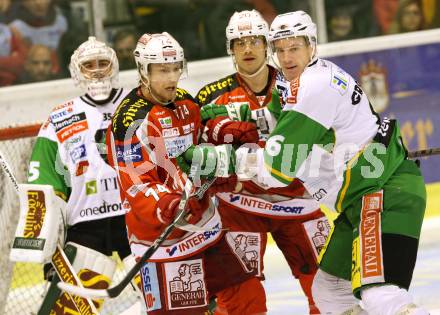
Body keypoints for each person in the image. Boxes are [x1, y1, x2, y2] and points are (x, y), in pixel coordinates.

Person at [179, 10, 428, 315]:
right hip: (362, 198)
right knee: (330, 292)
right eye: (280, 49)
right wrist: (237, 117)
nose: (287, 57)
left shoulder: (314, 86)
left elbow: (276, 170)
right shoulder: (294, 81)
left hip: (380, 195)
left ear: (312, 46)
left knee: (380, 293)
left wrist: (222, 159)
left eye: (294, 47)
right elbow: (274, 119)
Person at [106, 32, 266, 314]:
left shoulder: (185, 103)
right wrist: (167, 203)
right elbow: (135, 181)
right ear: (144, 71)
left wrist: (222, 136)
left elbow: (198, 148)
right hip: (163, 242)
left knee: (248, 298)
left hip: (205, 229)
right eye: (162, 71)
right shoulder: (130, 121)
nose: (171, 78)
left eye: (175, 69)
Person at [195, 9, 329, 314]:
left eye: (254, 40)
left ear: (267, 44)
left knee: (329, 286)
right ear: (230, 50)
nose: (247, 49)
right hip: (240, 206)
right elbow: (196, 155)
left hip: (298, 202)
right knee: (242, 298)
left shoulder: (299, 84)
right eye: (239, 43)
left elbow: (327, 133)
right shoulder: (210, 96)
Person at [27, 36, 133, 313]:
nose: (97, 70)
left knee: (164, 298)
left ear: (114, 67)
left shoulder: (137, 104)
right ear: (76, 72)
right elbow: (44, 179)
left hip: (135, 216)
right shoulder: (60, 118)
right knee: (71, 308)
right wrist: (48, 242)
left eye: (103, 63)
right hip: (85, 224)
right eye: (89, 65)